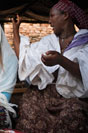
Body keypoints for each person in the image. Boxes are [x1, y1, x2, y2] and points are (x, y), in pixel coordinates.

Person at [12, 0, 88, 132]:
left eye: (52, 16)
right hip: (45, 95)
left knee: (72, 114)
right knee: (28, 104)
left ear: (65, 15)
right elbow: (24, 57)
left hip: (71, 98)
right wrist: (15, 29)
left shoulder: (83, 42)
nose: (49, 21)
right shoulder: (48, 41)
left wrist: (60, 60)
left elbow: (85, 71)